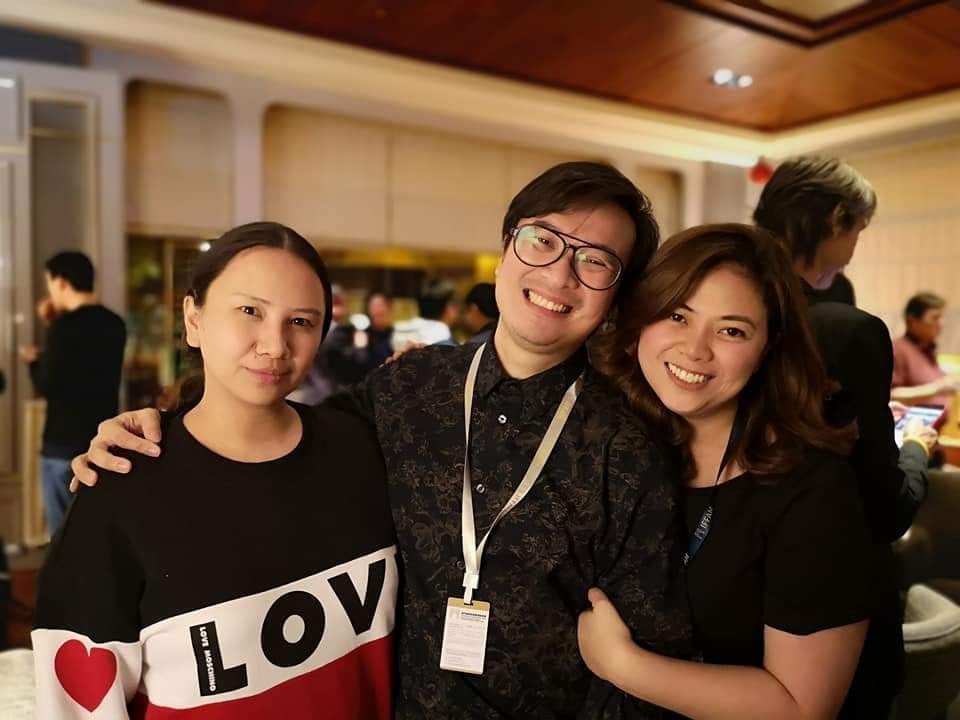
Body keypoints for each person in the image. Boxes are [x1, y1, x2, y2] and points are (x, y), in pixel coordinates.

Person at [71, 162, 695, 718]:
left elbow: (644, 665)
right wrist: (161, 427)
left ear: (616, 294)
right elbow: (276, 429)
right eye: (543, 240)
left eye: (595, 261)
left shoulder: (628, 451)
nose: (559, 274)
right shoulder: (408, 387)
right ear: (507, 247)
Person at [32, 223, 397, 718]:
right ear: (193, 318)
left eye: (302, 321)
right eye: (250, 311)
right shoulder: (120, 488)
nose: (275, 345)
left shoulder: (363, 451)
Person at [581, 223, 871, 718]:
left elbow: (802, 708)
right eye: (677, 315)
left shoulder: (811, 491)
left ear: (768, 347)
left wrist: (622, 665)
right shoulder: (616, 444)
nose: (695, 349)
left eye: (731, 330)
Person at [753, 156, 938, 719]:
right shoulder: (846, 331)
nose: (856, 245)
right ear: (837, 219)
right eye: (858, 229)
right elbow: (886, 510)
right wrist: (916, 448)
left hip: (727, 577)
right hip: (828, 594)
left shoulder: (728, 301)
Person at [18, 251, 126, 534]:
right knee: (94, 532)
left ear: (62, 283)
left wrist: (33, 362)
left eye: (50, 283)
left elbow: (49, 385)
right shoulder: (115, 324)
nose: (50, 292)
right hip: (99, 443)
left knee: (63, 536)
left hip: (61, 443)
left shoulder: (63, 327)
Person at [891, 292, 958, 406]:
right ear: (912, 321)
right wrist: (937, 388)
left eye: (942, 317)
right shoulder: (898, 350)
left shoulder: (928, 348)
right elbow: (891, 394)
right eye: (935, 318)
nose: (941, 323)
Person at [390, 277, 459, 349]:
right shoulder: (442, 334)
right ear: (447, 308)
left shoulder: (399, 330)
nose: (457, 310)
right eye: (454, 305)